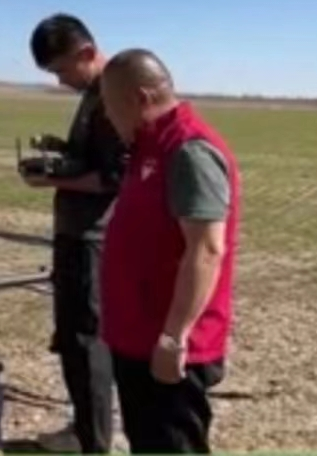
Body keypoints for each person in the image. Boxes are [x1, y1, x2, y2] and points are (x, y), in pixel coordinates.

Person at [97, 48, 241, 454]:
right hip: (136, 335)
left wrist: (174, 337)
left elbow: (207, 249)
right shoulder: (149, 146)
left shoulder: (188, 150)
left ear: (141, 98)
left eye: (110, 105)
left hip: (165, 345)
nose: (107, 116)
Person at [23, 13, 128, 453]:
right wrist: (60, 151)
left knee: (87, 342)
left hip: (92, 239)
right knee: (73, 339)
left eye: (62, 70)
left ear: (86, 52)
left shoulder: (112, 97)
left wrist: (51, 179)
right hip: (77, 234)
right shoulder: (93, 94)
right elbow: (93, 157)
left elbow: (114, 177)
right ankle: (84, 430)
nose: (61, 81)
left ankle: (92, 443)